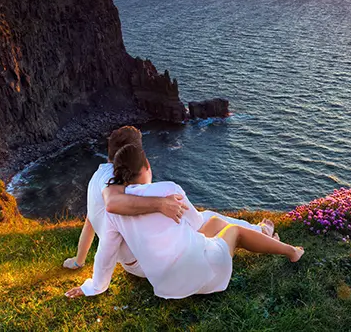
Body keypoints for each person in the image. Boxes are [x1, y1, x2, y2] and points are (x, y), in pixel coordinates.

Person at [65, 143, 303, 299]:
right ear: (146, 166)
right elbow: (198, 223)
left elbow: (105, 255)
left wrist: (92, 288)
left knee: (212, 228)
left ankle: (263, 232)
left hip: (165, 285)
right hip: (204, 274)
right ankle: (292, 252)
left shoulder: (114, 212)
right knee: (233, 232)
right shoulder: (168, 189)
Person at [63, 126, 273, 273]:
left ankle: (257, 231)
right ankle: (261, 232)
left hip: (130, 263)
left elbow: (91, 221)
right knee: (207, 220)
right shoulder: (119, 185)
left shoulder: (97, 177)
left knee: (200, 221)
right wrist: (162, 204)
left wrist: (78, 261)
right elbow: (112, 204)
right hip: (146, 265)